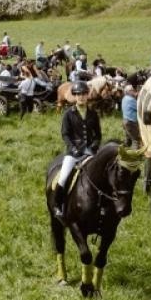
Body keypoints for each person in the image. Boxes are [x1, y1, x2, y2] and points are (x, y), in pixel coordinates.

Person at [53, 82, 102, 218]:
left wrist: (94, 147)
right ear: (74, 96)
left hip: (90, 152)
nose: (81, 97)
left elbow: (98, 135)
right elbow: (65, 134)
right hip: (73, 152)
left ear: (87, 95)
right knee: (63, 178)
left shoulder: (93, 113)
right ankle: (57, 205)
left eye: (84, 94)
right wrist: (73, 148)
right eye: (78, 94)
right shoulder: (68, 114)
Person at [120, 84, 140, 148]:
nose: (134, 91)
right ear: (129, 91)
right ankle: (134, 156)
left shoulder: (124, 98)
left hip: (125, 121)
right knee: (135, 140)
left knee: (128, 139)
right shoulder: (131, 100)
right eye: (132, 90)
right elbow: (139, 107)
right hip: (131, 122)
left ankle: (122, 151)